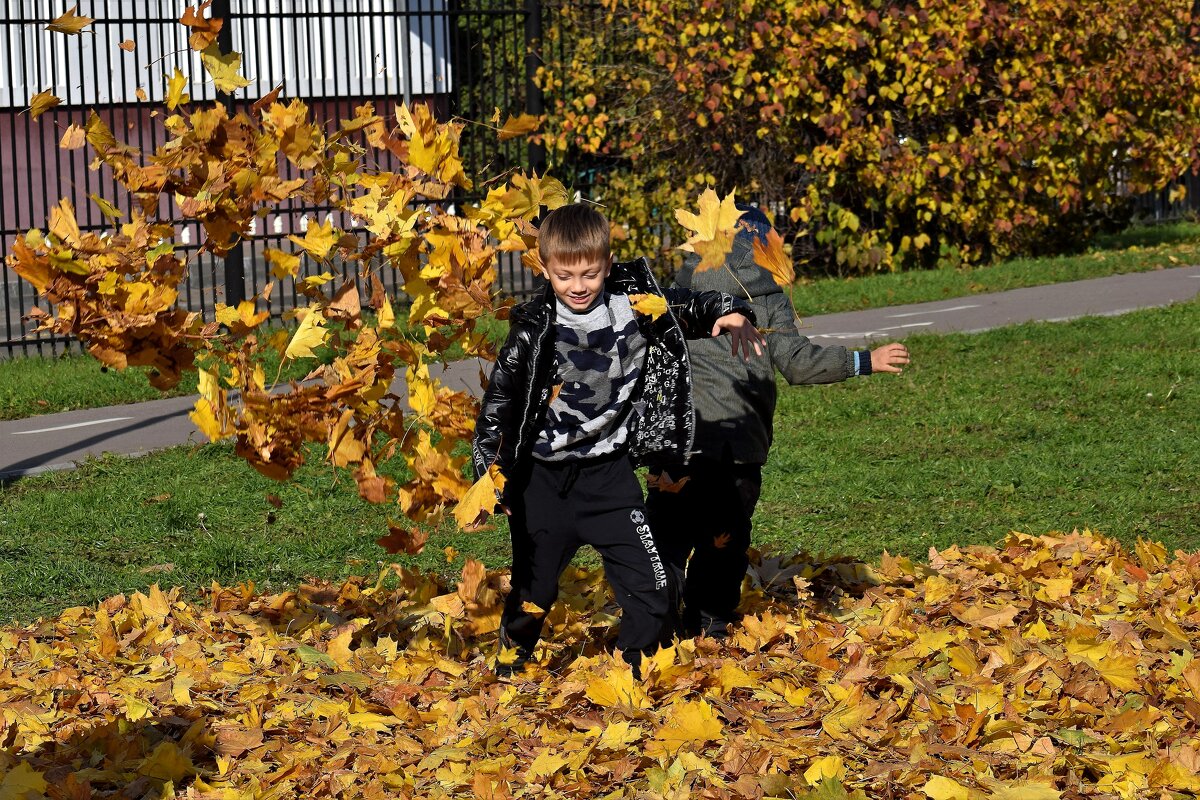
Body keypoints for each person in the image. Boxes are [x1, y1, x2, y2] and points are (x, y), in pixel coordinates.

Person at [472, 202, 765, 676]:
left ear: (607, 265)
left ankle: (635, 668)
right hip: (544, 482)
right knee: (534, 591)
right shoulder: (532, 330)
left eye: (589, 273)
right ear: (545, 269)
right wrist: (492, 474)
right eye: (565, 276)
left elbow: (689, 301)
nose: (578, 287)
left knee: (652, 586)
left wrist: (729, 311)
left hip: (609, 479)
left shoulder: (632, 304)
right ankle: (511, 663)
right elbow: (499, 406)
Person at [645, 205, 910, 638]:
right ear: (763, 248)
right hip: (737, 449)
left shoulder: (676, 293)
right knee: (724, 540)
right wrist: (865, 360)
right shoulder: (765, 298)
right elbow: (797, 362)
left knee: (666, 537)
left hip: (677, 440)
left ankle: (654, 620)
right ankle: (708, 622)